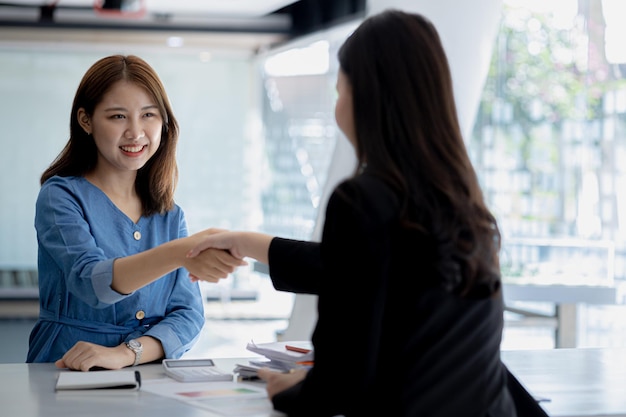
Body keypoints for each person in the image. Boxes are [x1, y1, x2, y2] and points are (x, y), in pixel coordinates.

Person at [187, 9, 548, 417]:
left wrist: (287, 390)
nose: (339, 107)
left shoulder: (362, 200)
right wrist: (248, 242)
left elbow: (342, 378)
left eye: (340, 91)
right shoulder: (463, 201)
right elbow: (362, 272)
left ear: (366, 97)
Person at [27, 54, 245, 371]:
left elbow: (188, 313)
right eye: (118, 117)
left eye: (148, 115)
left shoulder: (170, 215)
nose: (135, 132)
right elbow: (92, 282)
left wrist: (128, 353)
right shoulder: (60, 197)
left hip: (147, 375)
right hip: (67, 369)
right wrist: (181, 252)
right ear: (86, 120)